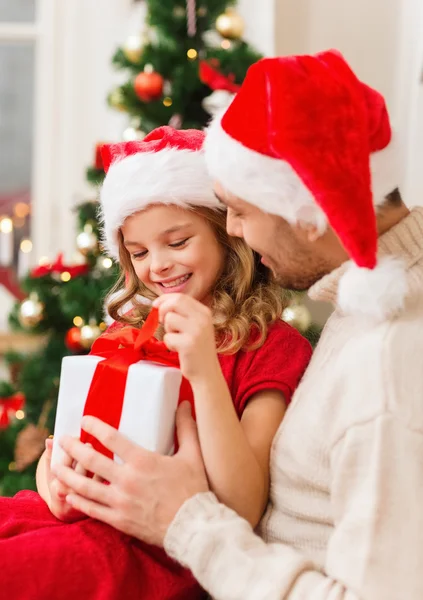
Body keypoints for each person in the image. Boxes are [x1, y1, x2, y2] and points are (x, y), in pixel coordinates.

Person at [55, 50, 423, 599]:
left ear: (305, 208)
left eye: (241, 210)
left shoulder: (389, 362)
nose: (234, 231)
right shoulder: (363, 312)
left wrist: (184, 521)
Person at [0, 126, 311, 599]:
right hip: (81, 520)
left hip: (156, 549)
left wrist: (203, 368)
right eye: (140, 252)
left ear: (226, 235)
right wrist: (56, 488)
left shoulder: (267, 345)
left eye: (178, 242)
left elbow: (243, 505)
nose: (158, 265)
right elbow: (60, 449)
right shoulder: (127, 334)